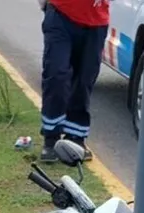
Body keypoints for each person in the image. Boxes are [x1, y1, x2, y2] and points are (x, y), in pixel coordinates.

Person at [37, 0, 110, 163]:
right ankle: (51, 138)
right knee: (57, 75)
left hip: (96, 21)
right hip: (60, 14)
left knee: (84, 80)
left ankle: (75, 137)